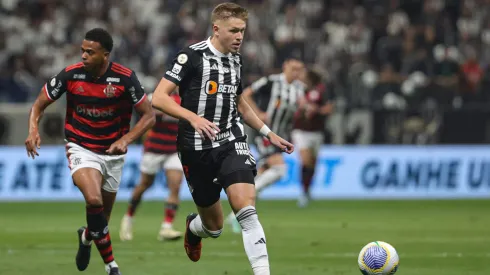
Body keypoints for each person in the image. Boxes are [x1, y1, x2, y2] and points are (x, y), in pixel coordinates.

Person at [151, 3, 293, 275]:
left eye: (243, 31)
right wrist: (192, 117)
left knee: (246, 209)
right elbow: (159, 97)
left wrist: (269, 133)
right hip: (195, 148)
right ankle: (194, 229)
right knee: (213, 228)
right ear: (216, 29)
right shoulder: (191, 56)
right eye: (234, 31)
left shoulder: (236, 60)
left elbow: (240, 104)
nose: (240, 36)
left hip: (231, 140)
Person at [24, 28, 155, 275]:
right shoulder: (71, 75)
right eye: (83, 50)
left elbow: (149, 117)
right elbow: (39, 104)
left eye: (90, 52)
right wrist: (33, 130)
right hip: (81, 147)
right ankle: (111, 266)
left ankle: (86, 237)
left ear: (105, 55)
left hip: (113, 153)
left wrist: (126, 139)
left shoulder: (125, 78)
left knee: (100, 221)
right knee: (93, 199)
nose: (83, 55)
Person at [226, 58, 305, 233]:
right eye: (293, 69)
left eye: (299, 70)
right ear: (285, 67)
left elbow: (298, 110)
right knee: (279, 170)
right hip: (265, 133)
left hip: (281, 136)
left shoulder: (299, 88)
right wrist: (258, 113)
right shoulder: (270, 81)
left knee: (259, 178)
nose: (296, 73)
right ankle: (239, 212)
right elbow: (245, 94)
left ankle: (237, 214)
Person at [120, 92, 184, 241]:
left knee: (175, 185)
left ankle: (166, 227)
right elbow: (145, 113)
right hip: (153, 148)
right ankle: (128, 217)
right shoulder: (154, 97)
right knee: (144, 184)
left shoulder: (184, 99)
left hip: (174, 149)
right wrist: (166, 110)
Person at [293, 68, 333, 207]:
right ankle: (303, 193)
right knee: (305, 160)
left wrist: (317, 110)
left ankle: (307, 189)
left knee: (312, 164)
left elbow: (329, 109)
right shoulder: (296, 89)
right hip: (300, 130)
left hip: (317, 131)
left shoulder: (321, 90)